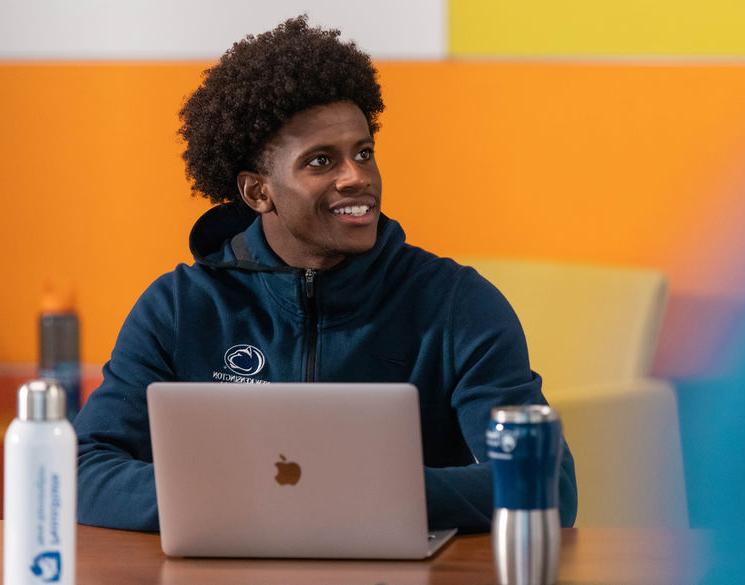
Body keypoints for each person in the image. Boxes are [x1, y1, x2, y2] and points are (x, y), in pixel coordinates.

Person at [74, 15, 577, 533]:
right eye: (320, 162)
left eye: (363, 152)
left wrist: (357, 494)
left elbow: (546, 484)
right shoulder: (180, 308)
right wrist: (235, 500)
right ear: (257, 192)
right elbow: (84, 468)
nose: (357, 177)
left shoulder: (456, 304)